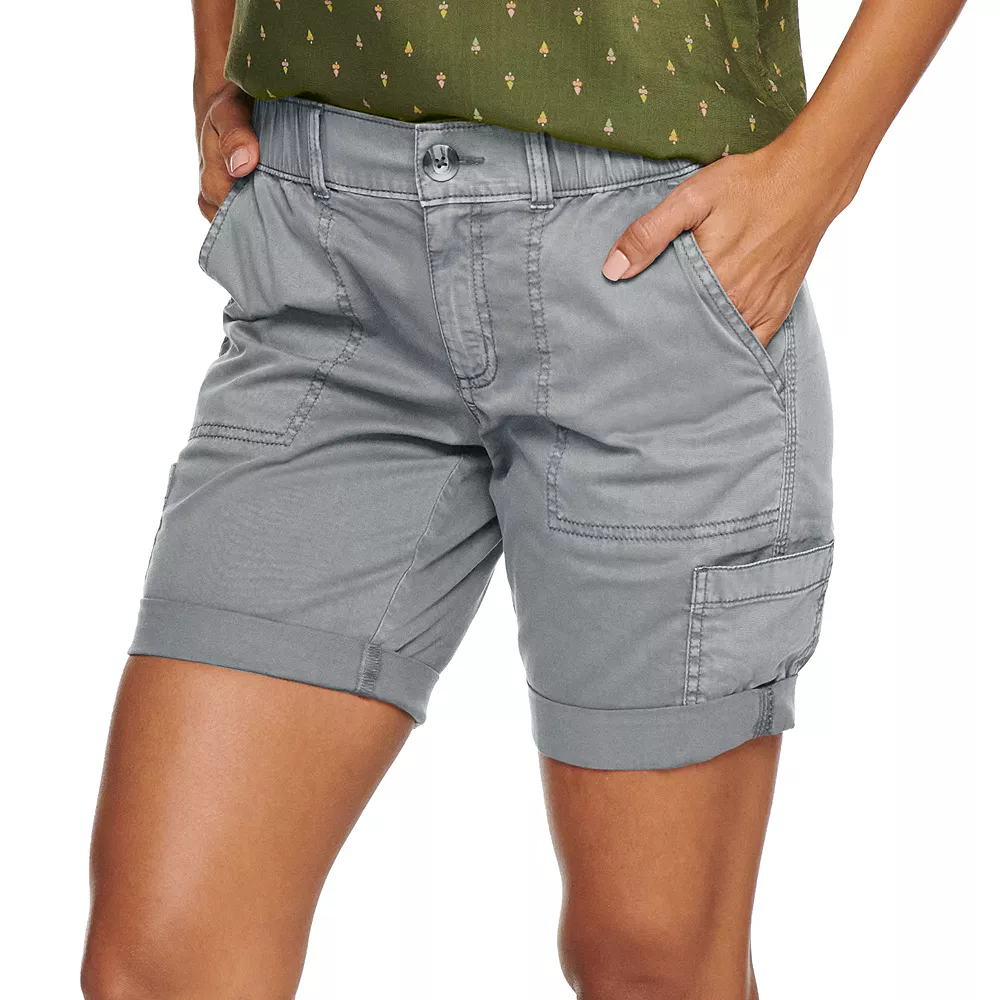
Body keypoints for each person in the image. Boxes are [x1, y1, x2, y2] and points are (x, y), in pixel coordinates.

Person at [82, 2, 966, 998]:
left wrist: (821, 170)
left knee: (649, 960)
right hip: (323, 259)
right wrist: (215, 64)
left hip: (641, 258)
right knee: (162, 958)